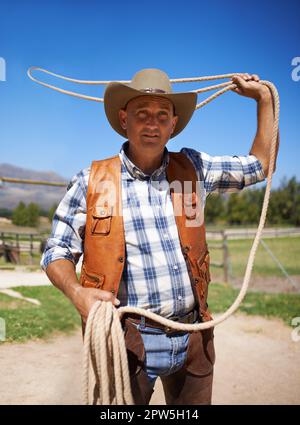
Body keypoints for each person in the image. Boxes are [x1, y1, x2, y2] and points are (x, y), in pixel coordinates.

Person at [41, 68, 279, 405]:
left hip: (194, 335)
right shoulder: (91, 181)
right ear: (124, 119)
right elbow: (56, 250)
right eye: (142, 114)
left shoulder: (195, 169)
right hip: (127, 339)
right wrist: (76, 292)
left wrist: (264, 100)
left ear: (173, 123)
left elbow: (261, 165)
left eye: (161, 115)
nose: (152, 124)